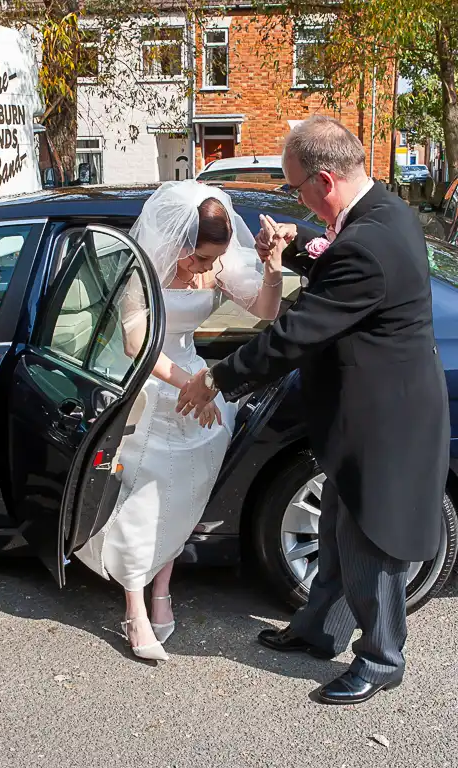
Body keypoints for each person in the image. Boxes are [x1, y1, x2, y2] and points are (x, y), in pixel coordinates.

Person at [177, 116, 450, 704]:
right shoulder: (383, 212)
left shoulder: (370, 244)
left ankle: (381, 660)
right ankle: (318, 632)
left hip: (384, 421)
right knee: (335, 529)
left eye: (296, 187)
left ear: (325, 180)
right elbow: (340, 262)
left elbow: (294, 335)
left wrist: (216, 378)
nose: (295, 196)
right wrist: (298, 246)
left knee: (372, 540)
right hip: (370, 408)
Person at [76, 179, 283, 661]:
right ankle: (134, 605)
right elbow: (135, 345)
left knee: (186, 493)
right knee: (143, 499)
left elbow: (266, 309)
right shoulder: (143, 264)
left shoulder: (216, 260)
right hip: (151, 384)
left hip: (198, 388)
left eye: (215, 260)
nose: (209, 269)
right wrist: (191, 386)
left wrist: (271, 269)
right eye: (202, 259)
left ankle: (163, 588)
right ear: (181, 244)